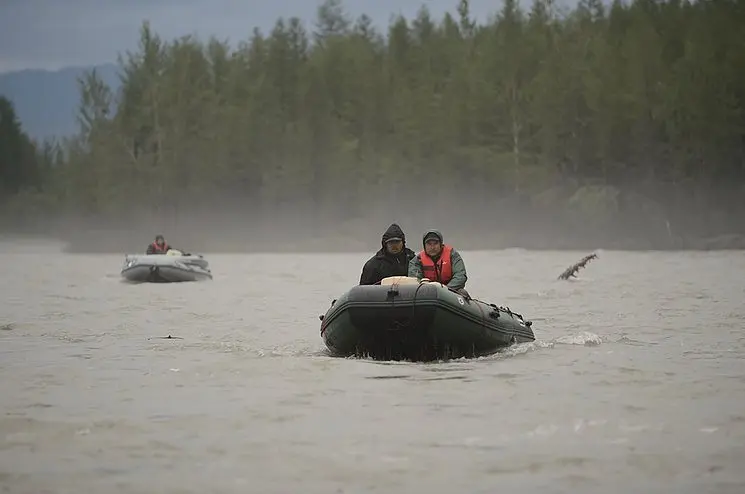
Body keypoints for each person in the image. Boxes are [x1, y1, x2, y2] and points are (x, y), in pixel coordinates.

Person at [408, 229, 468, 294]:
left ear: (441, 244)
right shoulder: (417, 260)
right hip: (426, 293)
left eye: (435, 243)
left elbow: (460, 275)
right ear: (424, 245)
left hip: (450, 291)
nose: (432, 247)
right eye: (429, 244)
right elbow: (414, 279)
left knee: (463, 292)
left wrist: (445, 290)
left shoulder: (452, 255)